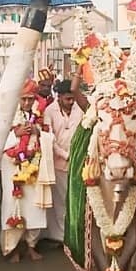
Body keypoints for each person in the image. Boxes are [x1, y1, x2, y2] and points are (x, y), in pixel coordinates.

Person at [0, 79, 54, 263]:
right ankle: (12, 248)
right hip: (12, 166)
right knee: (12, 205)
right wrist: (15, 134)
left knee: (34, 207)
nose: (27, 103)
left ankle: (32, 245)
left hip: (35, 165)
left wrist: (38, 133)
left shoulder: (40, 114)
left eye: (31, 99)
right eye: (23, 99)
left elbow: (50, 136)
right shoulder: (6, 115)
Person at [44, 77, 87, 244]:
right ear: (59, 97)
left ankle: (76, 234)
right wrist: (66, 155)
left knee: (76, 200)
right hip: (59, 162)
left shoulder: (81, 109)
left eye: (73, 98)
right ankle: (62, 237)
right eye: (67, 99)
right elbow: (50, 138)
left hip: (79, 163)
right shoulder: (49, 111)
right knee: (61, 202)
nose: (71, 102)